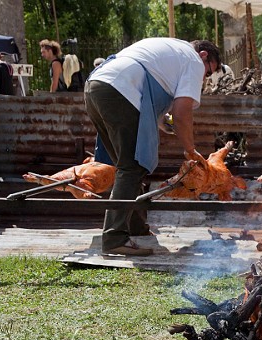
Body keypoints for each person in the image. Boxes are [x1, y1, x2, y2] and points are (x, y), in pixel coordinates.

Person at [85, 38, 221, 256]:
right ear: (204, 55)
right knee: (131, 167)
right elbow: (182, 112)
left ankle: (136, 228)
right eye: (207, 73)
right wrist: (189, 150)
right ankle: (114, 238)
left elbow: (159, 106)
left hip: (96, 87)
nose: (204, 79)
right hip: (119, 90)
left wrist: (165, 123)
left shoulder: (172, 50)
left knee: (128, 167)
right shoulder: (193, 60)